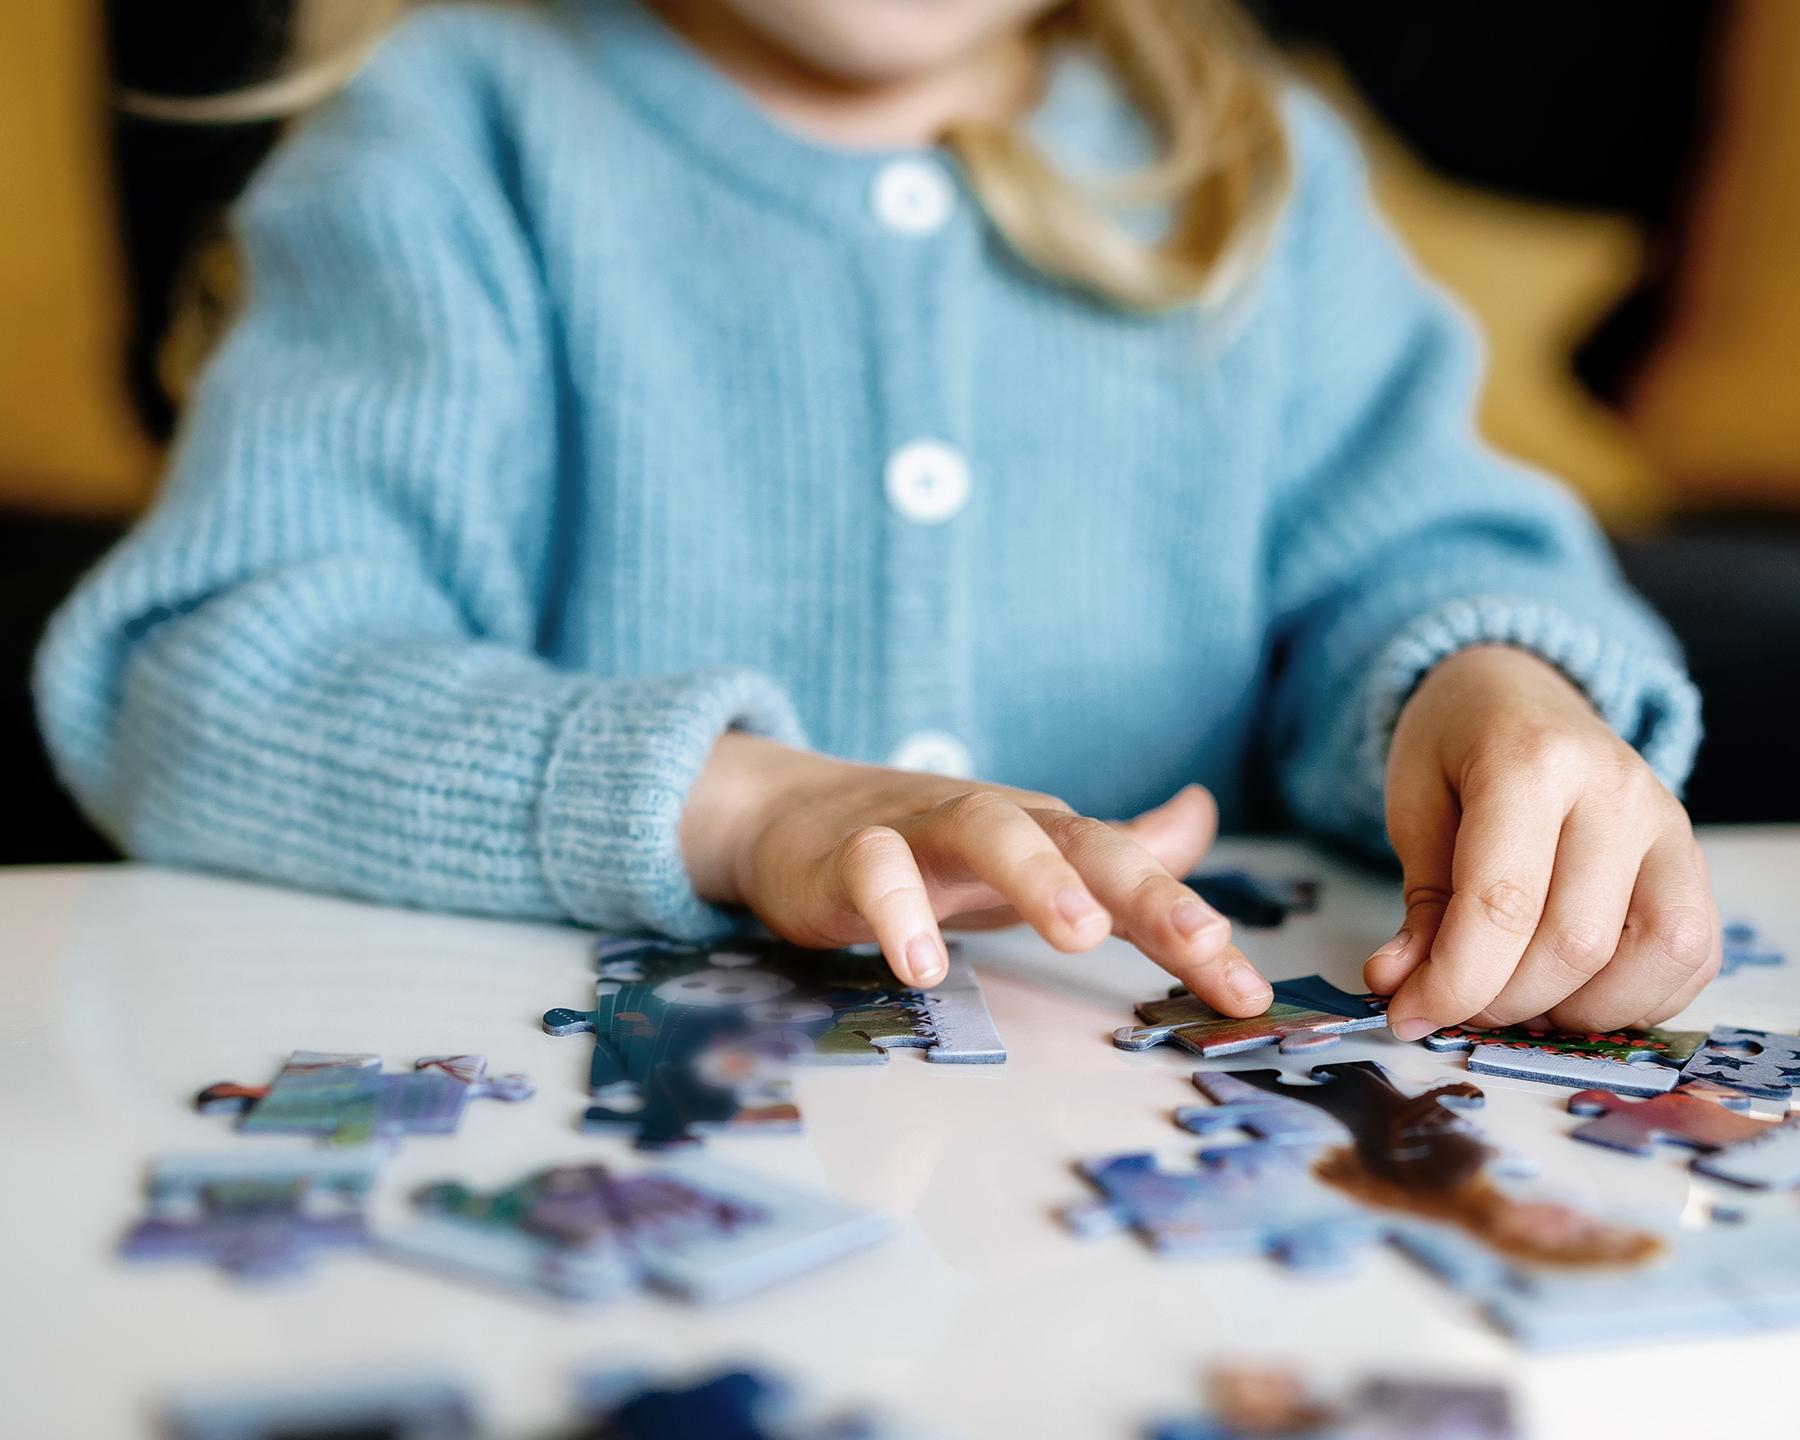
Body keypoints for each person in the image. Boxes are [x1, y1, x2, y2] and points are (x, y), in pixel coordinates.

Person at [36, 0, 1717, 1042]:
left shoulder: (1256, 164)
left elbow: (1415, 565)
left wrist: (1493, 687)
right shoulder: (445, 135)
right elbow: (205, 678)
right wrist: (744, 806)